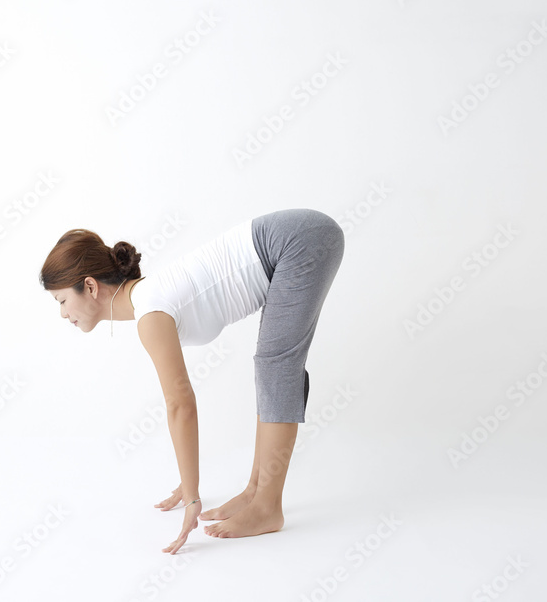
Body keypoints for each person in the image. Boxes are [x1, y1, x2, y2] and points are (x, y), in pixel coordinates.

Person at [38, 208, 345, 554]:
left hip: (301, 240)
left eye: (62, 300)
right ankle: (255, 492)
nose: (63, 313)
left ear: (90, 287)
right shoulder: (148, 303)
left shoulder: (150, 314)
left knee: (277, 365)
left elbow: (181, 405)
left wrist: (193, 496)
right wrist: (188, 485)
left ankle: (267, 507)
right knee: (270, 366)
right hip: (295, 239)